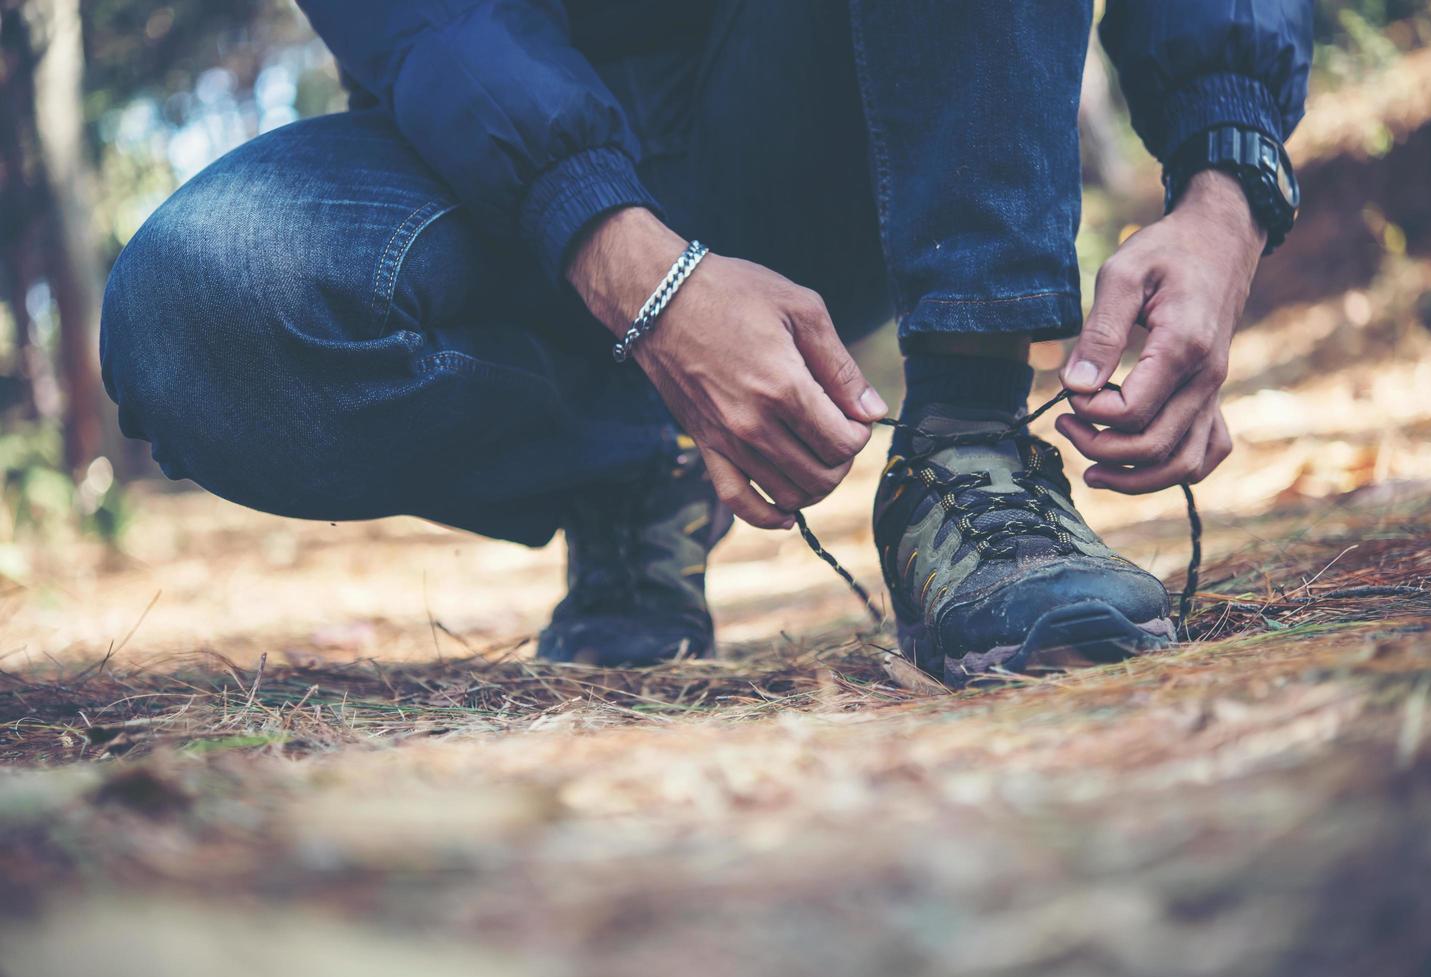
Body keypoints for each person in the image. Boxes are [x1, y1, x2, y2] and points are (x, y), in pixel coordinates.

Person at [100, 2, 1312, 685]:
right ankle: (629, 467)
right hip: (492, 138)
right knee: (196, 311)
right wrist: (630, 262)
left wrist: (1226, 175)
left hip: (845, 104)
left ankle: (968, 443)